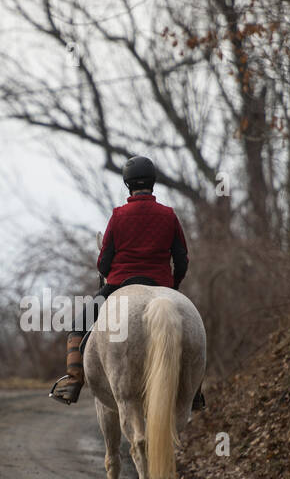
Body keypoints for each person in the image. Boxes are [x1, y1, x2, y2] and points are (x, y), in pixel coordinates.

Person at [50, 155, 205, 411]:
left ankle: (73, 382)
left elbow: (104, 261)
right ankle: (195, 391)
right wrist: (173, 285)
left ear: (127, 184)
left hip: (118, 285)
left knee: (78, 327)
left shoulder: (119, 216)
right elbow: (182, 258)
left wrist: (108, 271)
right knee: (194, 327)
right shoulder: (168, 215)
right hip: (162, 286)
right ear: (153, 183)